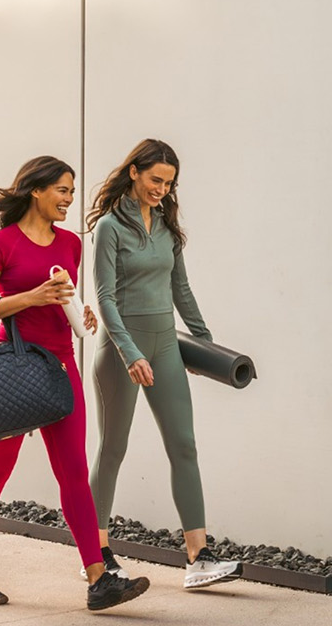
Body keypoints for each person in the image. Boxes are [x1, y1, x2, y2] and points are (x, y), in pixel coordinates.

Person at [0, 155, 151, 611]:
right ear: (36, 190)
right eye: (62, 190)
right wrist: (30, 297)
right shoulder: (0, 245)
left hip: (61, 367)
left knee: (74, 472)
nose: (69, 199)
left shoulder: (69, 244)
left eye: (72, 191)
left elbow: (62, 298)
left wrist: (78, 311)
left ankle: (99, 580)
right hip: (15, 369)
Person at [87, 139, 241, 590]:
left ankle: (198, 556)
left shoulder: (168, 229)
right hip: (121, 349)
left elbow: (182, 290)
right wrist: (129, 352)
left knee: (184, 446)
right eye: (155, 179)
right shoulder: (110, 228)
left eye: (169, 183)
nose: (162, 189)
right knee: (113, 449)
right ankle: (96, 552)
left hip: (167, 347)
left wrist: (205, 346)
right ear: (133, 172)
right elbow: (106, 298)